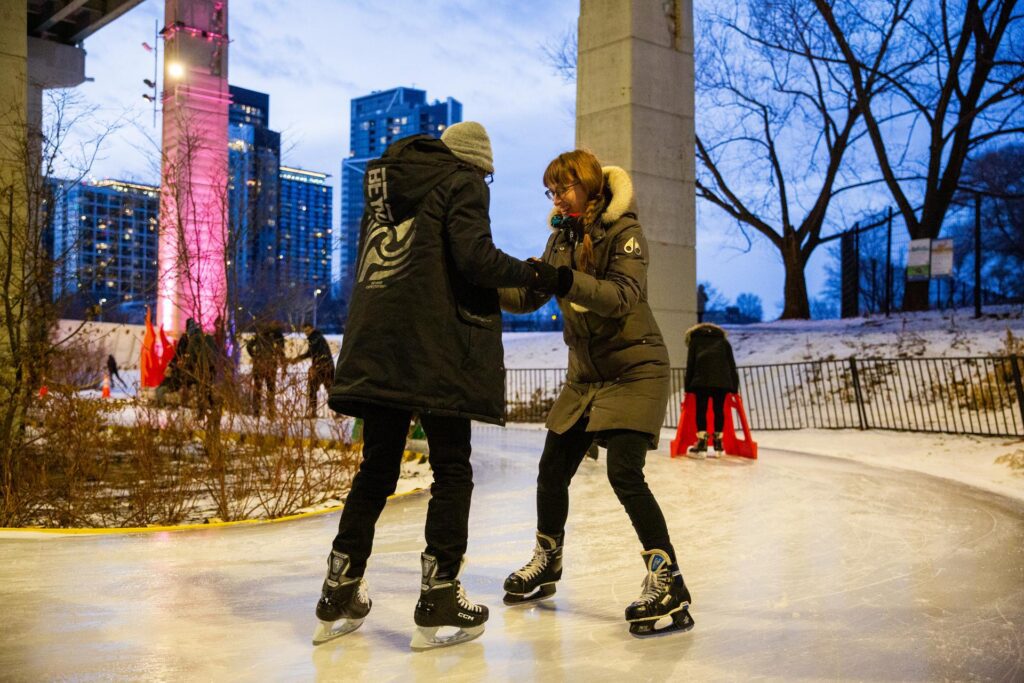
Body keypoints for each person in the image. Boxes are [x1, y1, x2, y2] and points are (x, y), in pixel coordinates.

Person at [313, 121, 557, 650]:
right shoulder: (460, 181)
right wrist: (540, 276)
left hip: (378, 347)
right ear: (473, 165)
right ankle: (440, 591)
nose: (484, 187)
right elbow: (476, 260)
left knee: (376, 469)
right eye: (486, 178)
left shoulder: (384, 189)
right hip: (435, 349)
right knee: (452, 469)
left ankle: (339, 587)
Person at [498, 149, 694, 638]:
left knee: (623, 471)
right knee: (551, 470)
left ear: (587, 185)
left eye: (563, 188)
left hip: (636, 370)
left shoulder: (623, 232)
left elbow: (620, 296)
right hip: (586, 378)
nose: (556, 197)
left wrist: (563, 279)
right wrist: (484, 278)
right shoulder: (559, 238)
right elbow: (527, 297)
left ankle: (668, 581)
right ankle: (548, 560)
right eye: (550, 191)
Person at [683, 322, 739, 458]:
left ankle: (702, 445)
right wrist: (734, 387)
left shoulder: (695, 341)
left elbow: (690, 364)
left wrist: (687, 386)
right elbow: (731, 364)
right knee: (718, 410)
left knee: (701, 410)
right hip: (722, 381)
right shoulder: (723, 342)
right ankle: (718, 444)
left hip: (701, 380)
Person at [295, 323, 334, 417]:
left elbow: (310, 353)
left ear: (312, 329)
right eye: (304, 331)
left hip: (320, 367)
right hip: (328, 366)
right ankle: (336, 412)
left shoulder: (314, 338)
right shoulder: (319, 337)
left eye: (308, 330)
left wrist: (297, 359)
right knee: (331, 390)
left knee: (312, 389)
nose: (306, 333)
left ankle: (313, 412)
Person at [245, 322, 284, 417]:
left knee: (257, 388)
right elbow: (280, 350)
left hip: (258, 365)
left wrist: (254, 356)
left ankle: (256, 412)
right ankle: (270, 412)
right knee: (270, 389)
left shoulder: (258, 336)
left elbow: (248, 346)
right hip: (271, 366)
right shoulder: (276, 337)